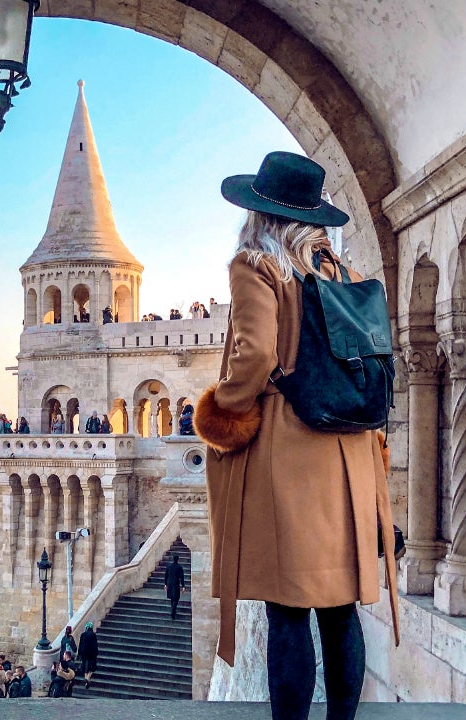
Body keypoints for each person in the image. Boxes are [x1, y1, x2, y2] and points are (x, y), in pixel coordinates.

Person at [195, 151, 398, 720]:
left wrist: (227, 411)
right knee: (339, 610)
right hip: (351, 451)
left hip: (291, 449)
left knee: (287, 607)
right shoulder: (345, 273)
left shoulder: (258, 266)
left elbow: (255, 352)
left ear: (259, 213)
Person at [78, 621, 99, 688]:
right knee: (92, 668)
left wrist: (79, 653)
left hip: (84, 654)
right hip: (92, 654)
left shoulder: (83, 634)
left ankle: (86, 680)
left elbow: (80, 645)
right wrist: (96, 653)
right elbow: (95, 645)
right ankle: (87, 679)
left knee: (84, 667)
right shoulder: (93, 635)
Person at [165, 553, 186, 620]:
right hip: (176, 583)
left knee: (172, 598)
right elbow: (182, 577)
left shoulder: (169, 566)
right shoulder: (179, 567)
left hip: (170, 583)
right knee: (176, 598)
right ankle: (173, 611)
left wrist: (165, 584)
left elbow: (166, 575)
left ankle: (173, 611)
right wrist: (183, 586)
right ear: (178, 559)